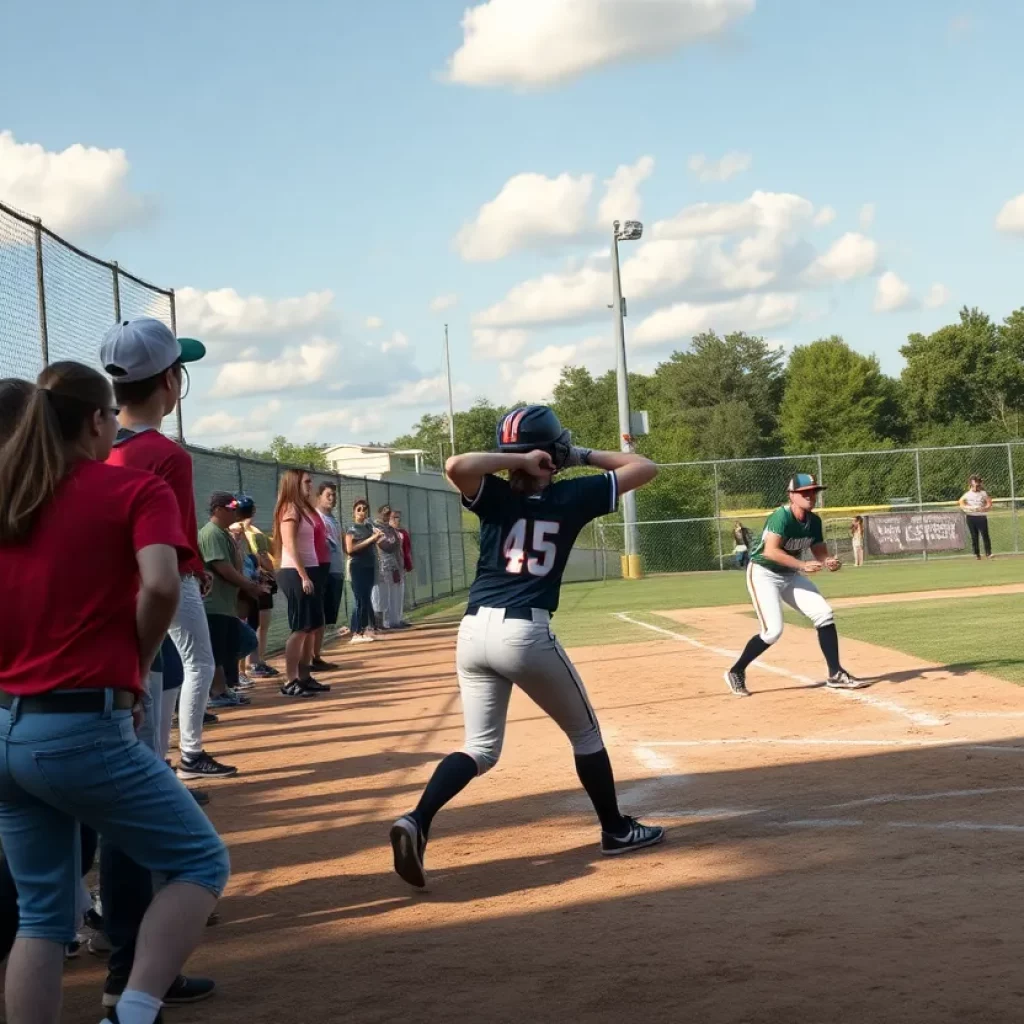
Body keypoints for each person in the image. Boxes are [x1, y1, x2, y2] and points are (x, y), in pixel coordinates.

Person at [0, 360, 229, 1024]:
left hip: (7, 727)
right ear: (98, 421)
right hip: (81, 724)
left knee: (42, 916)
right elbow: (161, 584)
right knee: (199, 861)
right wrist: (134, 659)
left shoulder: (13, 499)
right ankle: (130, 1013)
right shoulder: (130, 487)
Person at [389, 405, 664, 890]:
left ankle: (417, 819)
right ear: (550, 455)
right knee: (586, 734)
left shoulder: (492, 494)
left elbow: (456, 465)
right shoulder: (572, 495)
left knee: (479, 747)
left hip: (473, 632)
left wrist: (514, 459)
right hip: (524, 631)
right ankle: (615, 830)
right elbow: (644, 467)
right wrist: (573, 455)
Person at [99, 317, 231, 778]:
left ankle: (156, 768)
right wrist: (191, 569)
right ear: (170, 381)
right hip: (157, 580)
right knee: (184, 665)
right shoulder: (167, 454)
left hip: (104, 586)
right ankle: (185, 757)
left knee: (146, 677)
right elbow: (170, 546)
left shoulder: (93, 445)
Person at [723, 473, 865, 698]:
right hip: (763, 573)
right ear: (792, 496)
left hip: (789, 574)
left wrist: (827, 561)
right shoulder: (781, 517)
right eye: (804, 492)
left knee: (824, 614)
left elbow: (819, 551)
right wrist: (801, 564)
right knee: (773, 631)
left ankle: (835, 673)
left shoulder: (814, 521)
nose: (810, 496)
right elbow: (771, 551)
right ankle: (736, 670)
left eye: (814, 492)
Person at [272, 470, 329, 696]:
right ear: (294, 484)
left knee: (312, 627)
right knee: (300, 627)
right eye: (306, 481)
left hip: (310, 570)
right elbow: (289, 544)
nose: (310, 485)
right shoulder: (289, 508)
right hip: (294, 572)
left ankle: (305, 677)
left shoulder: (303, 509)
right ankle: (290, 680)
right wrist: (303, 575)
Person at [234, 498, 278, 678]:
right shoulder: (236, 529)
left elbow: (268, 556)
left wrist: (265, 563)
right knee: (245, 624)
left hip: (262, 581)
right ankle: (242, 669)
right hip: (247, 582)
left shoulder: (255, 531)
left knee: (260, 623)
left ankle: (257, 660)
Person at [313, 482, 344, 671]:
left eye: (334, 495)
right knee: (319, 615)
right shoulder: (318, 518)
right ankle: (312, 657)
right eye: (328, 495)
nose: (332, 499)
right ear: (319, 496)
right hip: (324, 571)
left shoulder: (334, 519)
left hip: (336, 570)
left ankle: (317, 655)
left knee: (326, 617)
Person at [345, 498, 382, 643]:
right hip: (357, 567)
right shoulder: (351, 529)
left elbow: (376, 542)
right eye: (359, 509)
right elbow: (350, 549)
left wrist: (377, 537)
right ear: (354, 512)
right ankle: (356, 631)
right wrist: (371, 539)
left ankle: (364, 629)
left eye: (364, 509)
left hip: (369, 566)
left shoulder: (368, 527)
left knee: (366, 599)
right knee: (359, 599)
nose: (362, 512)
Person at [371, 504, 402, 630]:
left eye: (388, 513)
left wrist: (393, 543)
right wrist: (392, 543)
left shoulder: (390, 529)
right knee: (381, 595)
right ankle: (380, 622)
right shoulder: (375, 528)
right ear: (379, 513)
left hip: (393, 564)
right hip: (382, 565)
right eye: (384, 513)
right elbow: (386, 546)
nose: (387, 516)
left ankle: (392, 621)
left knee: (392, 594)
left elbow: (396, 544)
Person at [959, 475, 994, 559]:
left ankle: (988, 553)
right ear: (971, 484)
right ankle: (977, 554)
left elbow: (989, 502)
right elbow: (961, 502)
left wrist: (985, 508)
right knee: (974, 536)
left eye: (979, 484)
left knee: (985, 535)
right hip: (971, 517)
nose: (978, 486)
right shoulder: (967, 494)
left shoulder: (983, 493)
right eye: (976, 484)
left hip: (981, 517)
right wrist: (968, 508)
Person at [389, 509, 413, 628]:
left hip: (400, 566)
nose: (396, 520)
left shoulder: (402, 533)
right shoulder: (386, 532)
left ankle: (398, 618)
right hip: (389, 568)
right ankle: (391, 620)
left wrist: (407, 564)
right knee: (391, 593)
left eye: (397, 517)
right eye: (393, 517)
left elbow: (406, 550)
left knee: (400, 593)